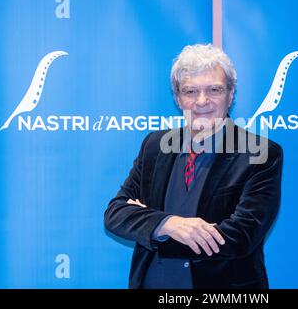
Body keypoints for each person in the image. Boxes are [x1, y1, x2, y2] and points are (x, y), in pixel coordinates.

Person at [104, 44, 283, 289]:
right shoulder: (154, 146)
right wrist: (168, 224)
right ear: (178, 98)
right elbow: (116, 214)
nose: (202, 101)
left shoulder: (260, 153)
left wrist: (151, 229)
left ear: (230, 95)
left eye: (214, 90)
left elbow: (242, 235)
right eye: (190, 91)